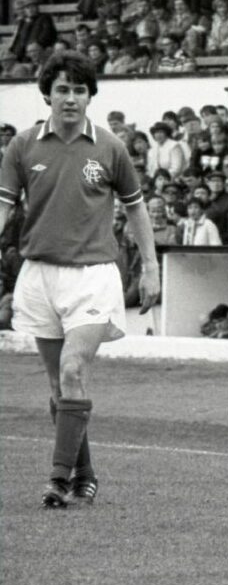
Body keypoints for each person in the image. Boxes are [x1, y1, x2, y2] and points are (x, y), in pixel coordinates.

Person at [0, 51, 161, 507]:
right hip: (39, 275)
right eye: (62, 89)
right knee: (60, 387)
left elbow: (136, 207)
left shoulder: (110, 147)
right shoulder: (23, 146)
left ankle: (56, 481)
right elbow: (5, 205)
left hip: (93, 276)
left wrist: (150, 267)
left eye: (79, 90)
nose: (70, 98)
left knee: (73, 370)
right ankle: (84, 473)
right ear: (47, 93)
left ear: (90, 96)